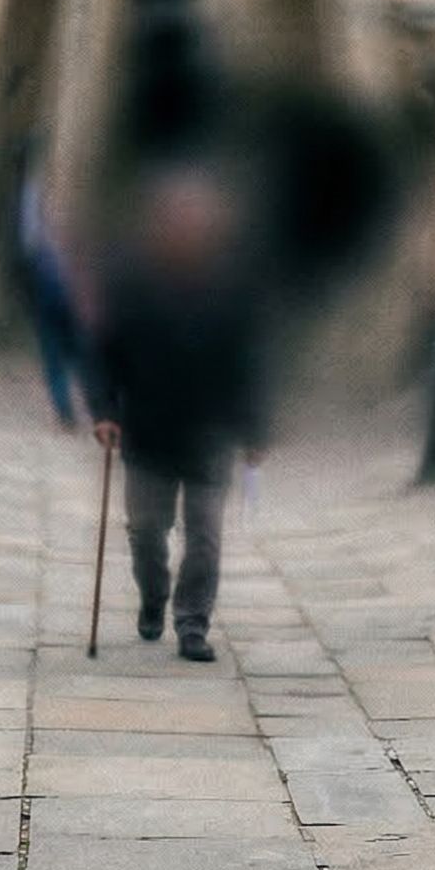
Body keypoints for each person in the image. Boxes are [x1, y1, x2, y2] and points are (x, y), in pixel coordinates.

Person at [85, 173, 271, 665]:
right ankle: (153, 595)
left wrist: (254, 430)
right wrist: (104, 410)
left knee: (205, 538)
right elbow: (104, 355)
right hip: (147, 433)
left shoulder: (232, 287)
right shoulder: (133, 285)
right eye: (177, 221)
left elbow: (248, 365)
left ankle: (193, 623)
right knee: (146, 533)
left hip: (210, 436)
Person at [18, 170, 82, 429]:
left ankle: (67, 409)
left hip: (54, 303)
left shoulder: (41, 242)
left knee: (57, 359)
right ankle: (75, 406)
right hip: (64, 305)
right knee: (71, 357)